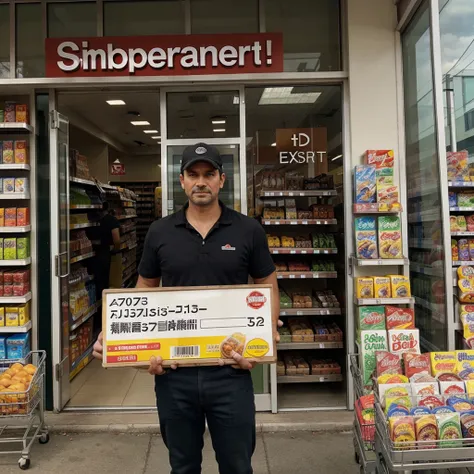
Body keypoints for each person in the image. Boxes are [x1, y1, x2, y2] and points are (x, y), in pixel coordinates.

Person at [93, 143, 280, 474]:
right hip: (174, 374)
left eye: (209, 174)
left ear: (222, 180)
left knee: (238, 465)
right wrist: (118, 339)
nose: (201, 182)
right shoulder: (160, 231)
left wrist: (268, 330)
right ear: (181, 181)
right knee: (182, 465)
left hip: (231, 372)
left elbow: (267, 280)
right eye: (193, 175)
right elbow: (146, 288)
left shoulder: (247, 229)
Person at [95, 200, 121, 296]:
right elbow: (117, 239)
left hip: (96, 253)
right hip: (106, 252)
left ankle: (99, 299)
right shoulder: (111, 220)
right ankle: (106, 299)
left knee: (99, 279)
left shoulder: (96, 220)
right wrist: (116, 249)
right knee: (107, 278)